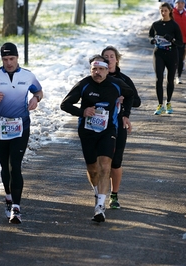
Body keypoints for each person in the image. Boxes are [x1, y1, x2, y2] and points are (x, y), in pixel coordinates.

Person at [60, 55, 134, 223]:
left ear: (107, 70)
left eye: (101, 69)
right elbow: (65, 104)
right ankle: (98, 191)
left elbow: (132, 97)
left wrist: (125, 114)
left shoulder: (117, 84)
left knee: (105, 165)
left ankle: (100, 205)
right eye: (94, 69)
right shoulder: (84, 84)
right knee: (93, 168)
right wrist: (82, 112)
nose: (97, 72)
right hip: (87, 132)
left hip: (108, 130)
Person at [0, 42, 43, 224]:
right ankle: (8, 197)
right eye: (5, 59)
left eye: (11, 59)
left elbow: (39, 91)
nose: (9, 63)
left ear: (17, 57)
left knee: (16, 165)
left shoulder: (28, 76)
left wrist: (35, 99)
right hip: (1, 127)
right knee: (5, 167)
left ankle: (16, 208)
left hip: (22, 126)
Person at [101, 46, 141, 209]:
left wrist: (124, 101)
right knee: (100, 162)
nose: (109, 59)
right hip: (100, 126)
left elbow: (137, 101)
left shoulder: (124, 79)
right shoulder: (97, 78)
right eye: (106, 57)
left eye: (112, 56)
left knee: (115, 162)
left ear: (117, 59)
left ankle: (114, 195)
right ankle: (100, 195)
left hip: (119, 125)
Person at [149, 2, 183, 115]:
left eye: (165, 11)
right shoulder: (155, 24)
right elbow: (150, 35)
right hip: (158, 53)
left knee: (170, 79)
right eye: (161, 11)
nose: (163, 13)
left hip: (171, 54)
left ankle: (168, 102)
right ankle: (160, 105)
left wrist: (172, 39)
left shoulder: (174, 25)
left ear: (170, 11)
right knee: (159, 79)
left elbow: (180, 43)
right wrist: (152, 40)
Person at [173, 0, 186, 85]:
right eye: (178, 3)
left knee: (180, 59)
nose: (180, 5)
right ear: (175, 4)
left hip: (183, 40)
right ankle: (171, 75)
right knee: (172, 59)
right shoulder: (171, 13)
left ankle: (178, 76)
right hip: (172, 40)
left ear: (184, 4)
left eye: (182, 3)